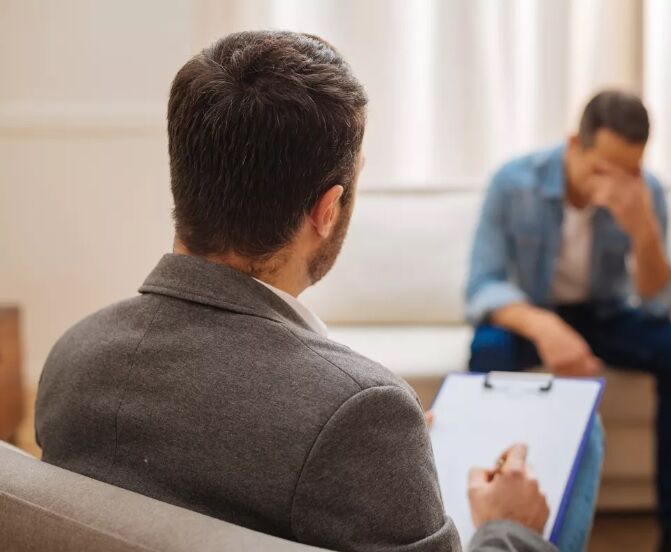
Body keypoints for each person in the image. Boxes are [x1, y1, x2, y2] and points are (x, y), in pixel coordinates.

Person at [35, 31, 556, 552]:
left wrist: (381, 459)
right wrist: (509, 528)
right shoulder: (362, 409)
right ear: (326, 211)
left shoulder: (73, 356)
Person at [465, 90, 671, 552]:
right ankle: (479, 513)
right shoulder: (513, 183)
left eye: (628, 172)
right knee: (488, 349)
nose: (613, 185)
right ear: (575, 144)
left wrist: (643, 230)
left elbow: (659, 305)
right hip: (532, 312)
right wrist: (547, 328)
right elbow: (483, 285)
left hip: (605, 313)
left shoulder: (646, 192)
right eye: (601, 169)